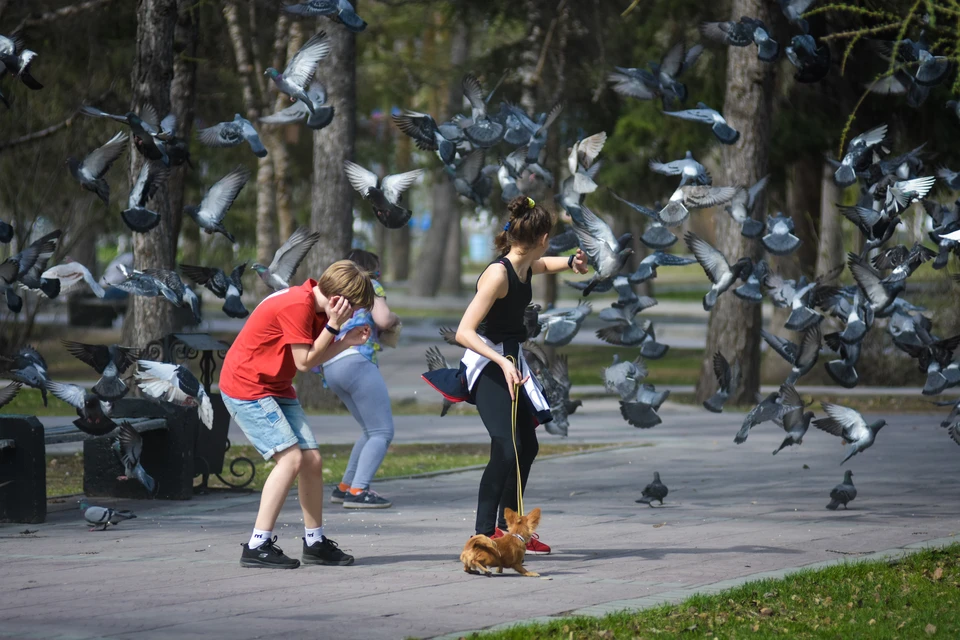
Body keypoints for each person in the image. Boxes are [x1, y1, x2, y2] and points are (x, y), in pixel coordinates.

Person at [219, 260, 375, 569]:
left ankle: (314, 542)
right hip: (247, 386)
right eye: (354, 307)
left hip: (275, 386)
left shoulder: (317, 309)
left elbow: (311, 355)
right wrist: (334, 327)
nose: (355, 313)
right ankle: (257, 545)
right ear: (338, 300)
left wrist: (345, 340)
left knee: (312, 460)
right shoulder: (298, 306)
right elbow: (305, 363)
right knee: (291, 459)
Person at [454, 196, 588, 554]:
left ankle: (510, 529)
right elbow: (463, 331)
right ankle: (482, 537)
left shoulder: (525, 263)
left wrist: (571, 263)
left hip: (510, 359)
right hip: (487, 362)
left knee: (526, 445)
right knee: (505, 447)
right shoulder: (498, 275)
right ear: (543, 237)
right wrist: (500, 362)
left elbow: (541, 266)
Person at [317, 249, 401, 509]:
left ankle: (345, 488)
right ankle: (359, 491)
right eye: (377, 271)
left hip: (331, 363)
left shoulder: (335, 291)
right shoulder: (369, 285)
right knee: (383, 432)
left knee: (369, 430)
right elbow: (383, 319)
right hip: (357, 360)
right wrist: (396, 319)